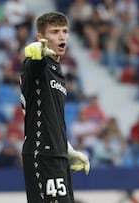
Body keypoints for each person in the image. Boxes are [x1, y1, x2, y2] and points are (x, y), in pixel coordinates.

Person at [21, 12, 90, 203]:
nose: (62, 36)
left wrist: (68, 149)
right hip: (42, 153)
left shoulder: (57, 71)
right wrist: (35, 51)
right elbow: (34, 61)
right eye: (54, 32)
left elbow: (52, 119)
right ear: (41, 38)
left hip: (57, 155)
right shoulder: (36, 65)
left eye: (65, 31)